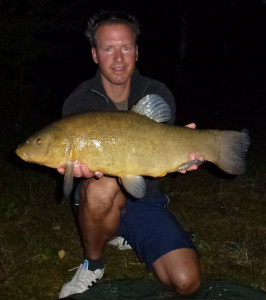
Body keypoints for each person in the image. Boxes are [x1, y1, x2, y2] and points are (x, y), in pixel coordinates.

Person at [58, 10, 202, 298]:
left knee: (186, 282)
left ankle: (122, 230)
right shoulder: (80, 100)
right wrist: (78, 171)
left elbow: (159, 150)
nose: (118, 58)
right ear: (95, 55)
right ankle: (93, 263)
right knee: (102, 186)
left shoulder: (156, 92)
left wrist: (182, 154)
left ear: (136, 51)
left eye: (125, 47)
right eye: (108, 49)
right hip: (97, 195)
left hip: (144, 195)